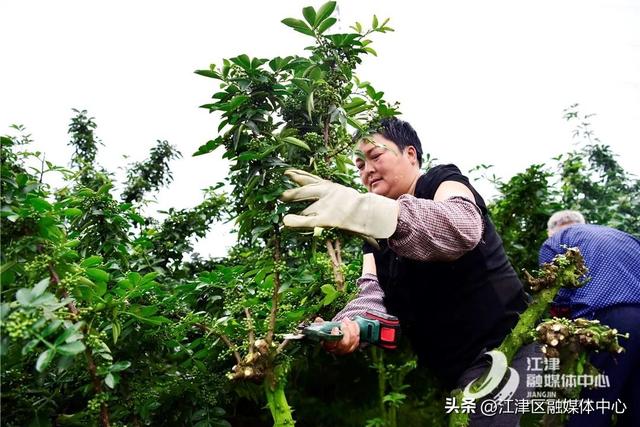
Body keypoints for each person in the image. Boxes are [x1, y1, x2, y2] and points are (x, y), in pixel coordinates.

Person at [281, 117, 538, 426]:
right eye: (359, 165)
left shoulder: (442, 182)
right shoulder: (374, 237)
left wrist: (374, 211)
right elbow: (373, 296)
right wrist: (349, 327)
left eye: (375, 156)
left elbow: (462, 226)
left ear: (411, 155)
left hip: (507, 348)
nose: (366, 170)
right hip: (457, 370)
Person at [539, 210, 640, 427]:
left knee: (589, 407)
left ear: (550, 231)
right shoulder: (623, 236)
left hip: (607, 323)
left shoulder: (557, 241)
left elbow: (556, 298)